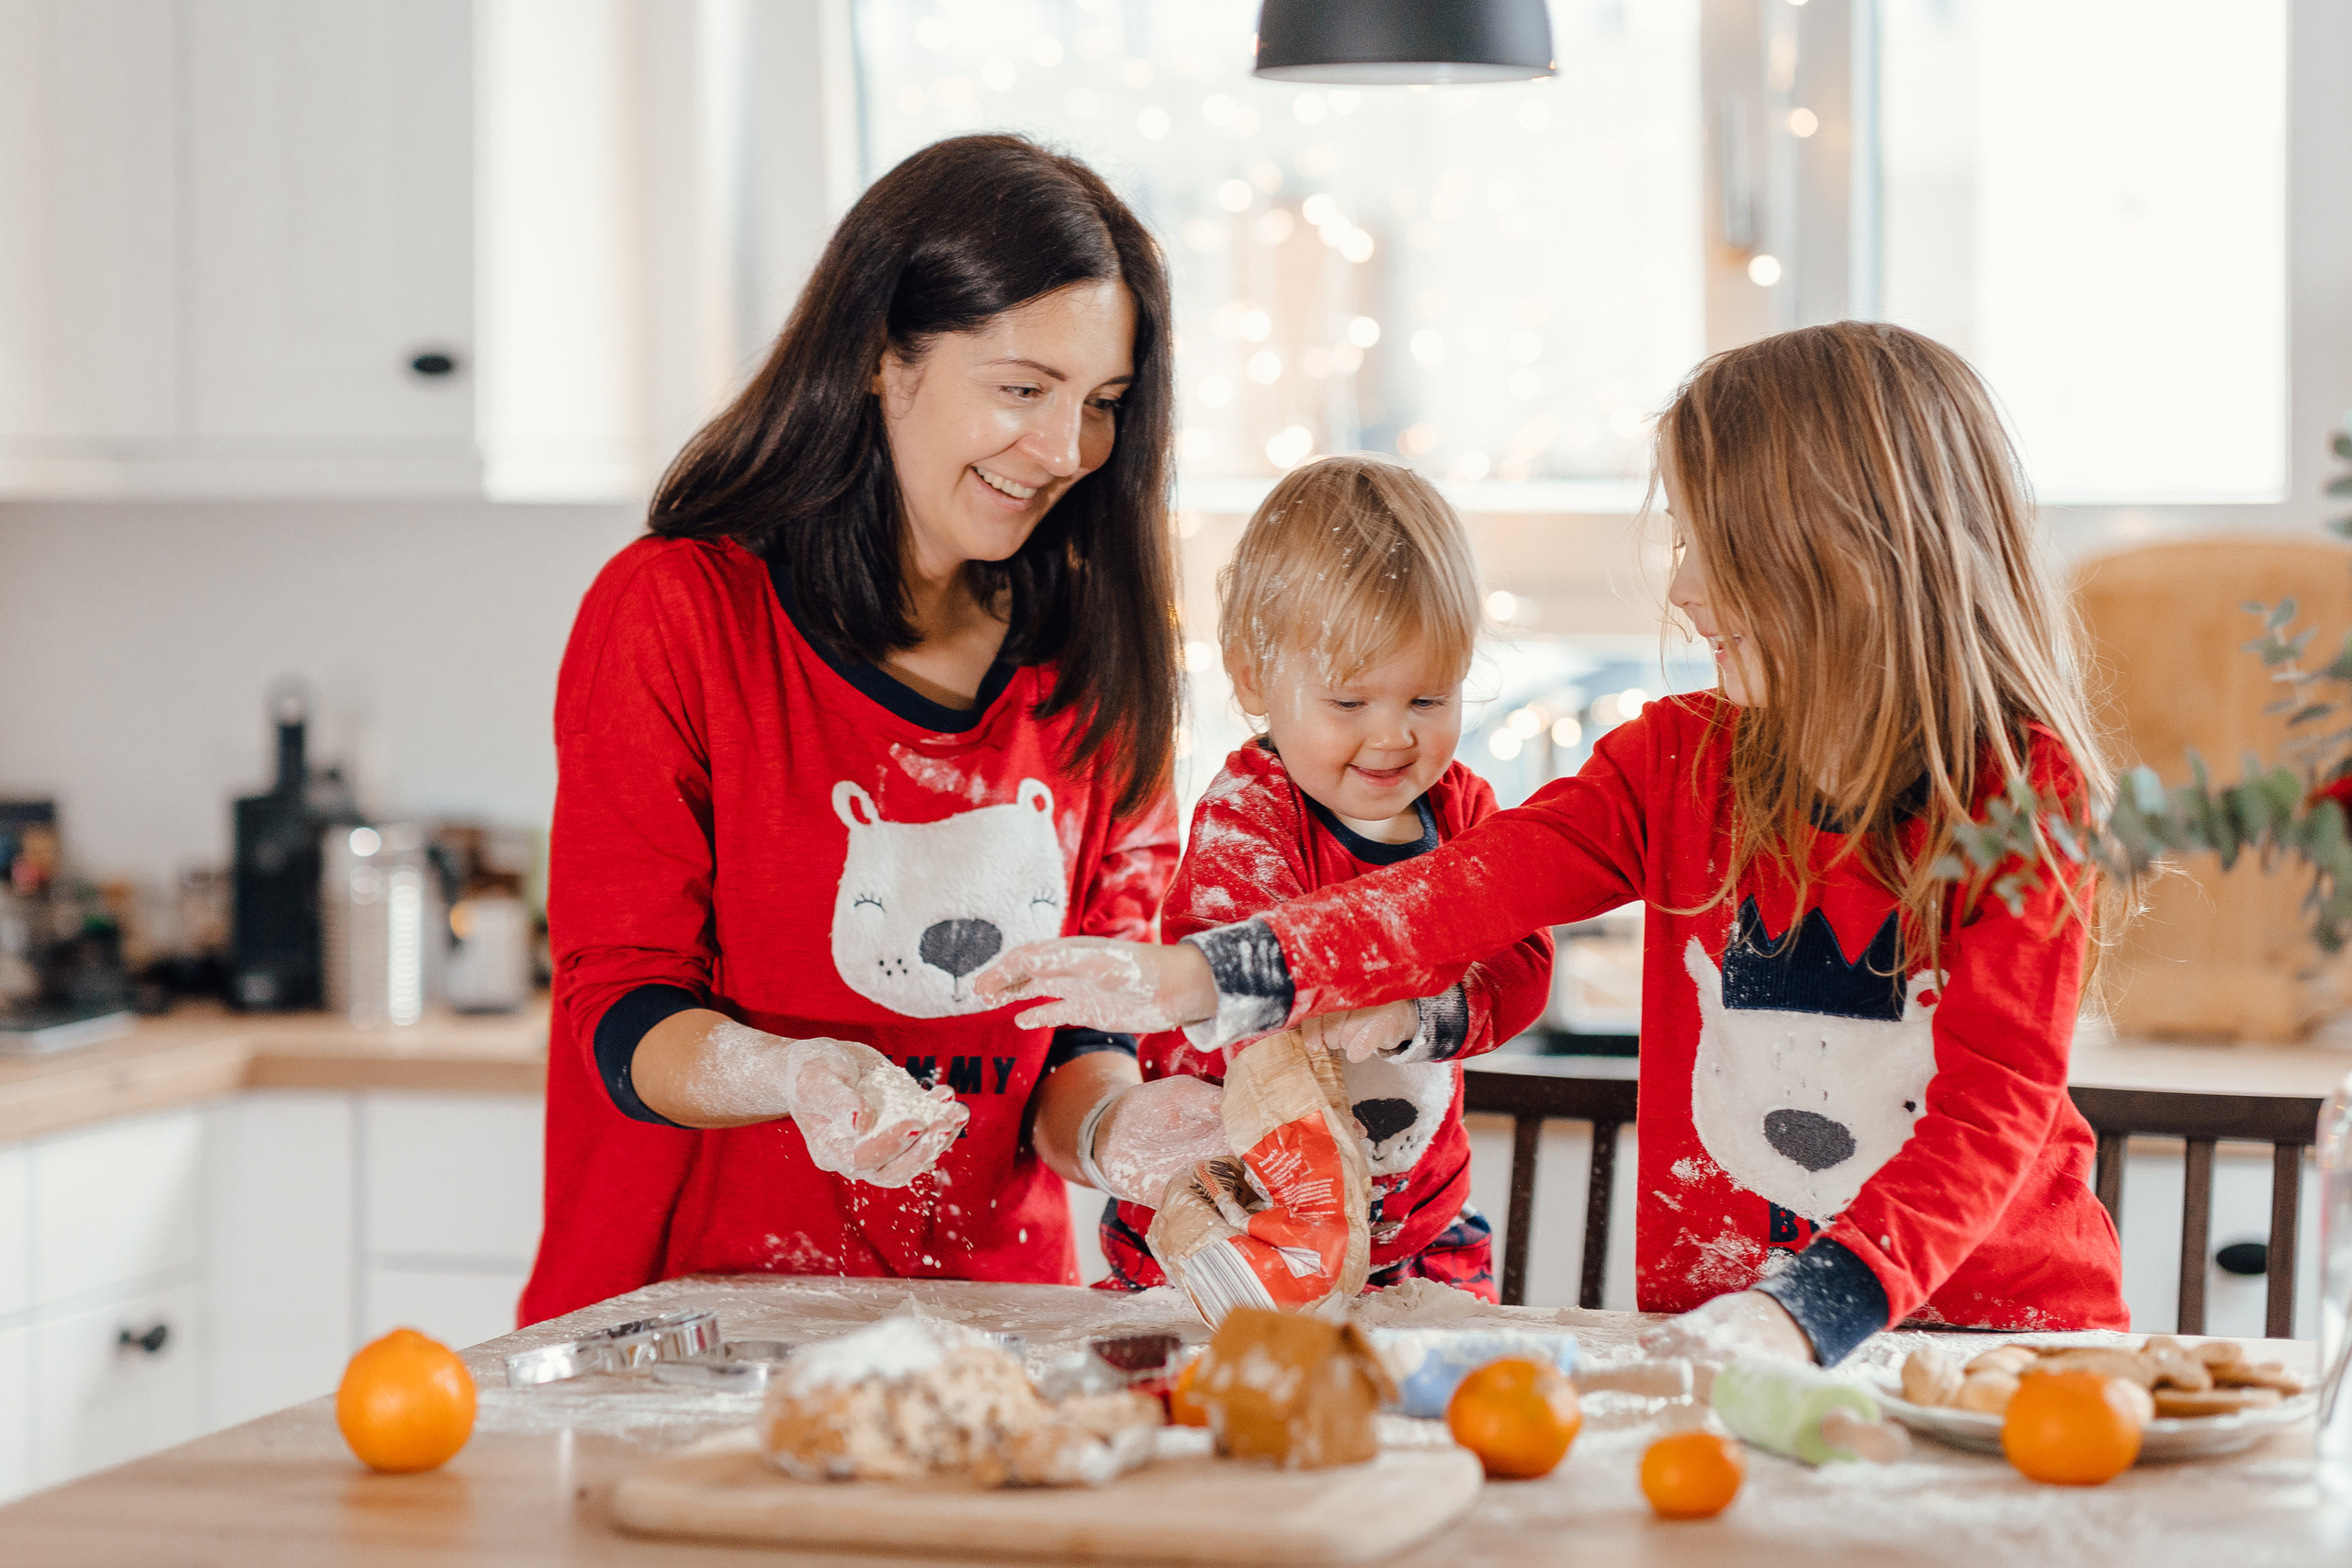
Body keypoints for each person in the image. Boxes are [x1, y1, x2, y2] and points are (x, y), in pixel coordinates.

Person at [978, 321, 2130, 1368]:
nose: (1683, 587)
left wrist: (1807, 1308)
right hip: (1729, 1336)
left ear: (1835, 555)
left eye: (1711, 541)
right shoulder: (1678, 766)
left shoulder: (2019, 796)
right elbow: (1455, 896)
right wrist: (1192, 974)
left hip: (1999, 1342)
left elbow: (1993, 1109)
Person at [520, 135, 1208, 1323]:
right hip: (682, 1333)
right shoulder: (677, 615)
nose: (1064, 452)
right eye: (1022, 388)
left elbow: (1073, 1041)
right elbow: (618, 1015)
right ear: (883, 358)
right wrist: (790, 1073)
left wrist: (1121, 1123)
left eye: (1101, 405)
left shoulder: (1096, 652)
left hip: (986, 1339)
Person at [1080, 457, 1553, 1299]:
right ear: (1255, 675)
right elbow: (1236, 985)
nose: (1391, 738)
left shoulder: (1467, 811)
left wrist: (1409, 1013)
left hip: (1416, 1223)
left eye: (1427, 700)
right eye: (1349, 703)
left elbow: (1519, 967)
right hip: (1240, 1218)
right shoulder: (1250, 817)